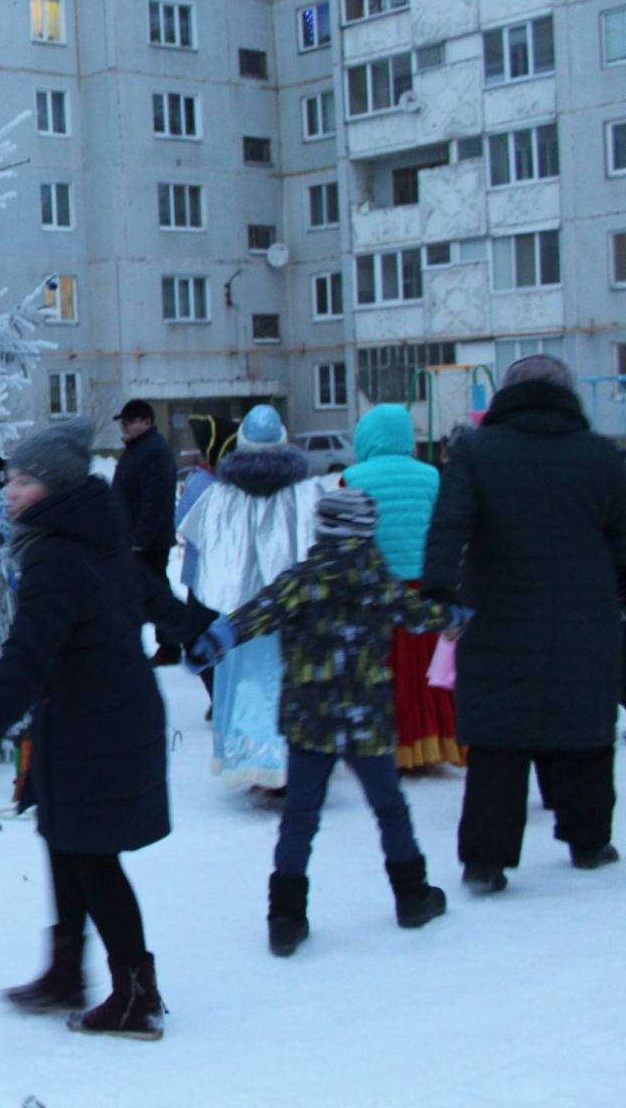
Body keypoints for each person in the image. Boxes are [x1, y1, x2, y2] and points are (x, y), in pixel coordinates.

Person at [0, 419, 169, 1041]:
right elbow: (147, 597)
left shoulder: (54, 552)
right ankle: (67, 974)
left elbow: (29, 652)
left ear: (53, 487)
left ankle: (135, 998)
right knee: (64, 837)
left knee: (93, 855)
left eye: (23, 481)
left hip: (97, 721)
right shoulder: (87, 532)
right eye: (10, 479)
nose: (9, 491)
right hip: (89, 715)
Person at [188, 490, 459, 956]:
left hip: (309, 719)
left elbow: (259, 612)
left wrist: (217, 638)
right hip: (365, 718)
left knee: (299, 819)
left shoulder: (302, 578)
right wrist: (453, 616)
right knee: (389, 807)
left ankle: (286, 919)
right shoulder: (375, 578)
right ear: (365, 531)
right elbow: (416, 615)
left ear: (323, 529)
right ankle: (413, 897)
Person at [421, 354, 626, 893]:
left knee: (498, 740)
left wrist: (439, 588)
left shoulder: (476, 452)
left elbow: (449, 524)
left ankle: (486, 863)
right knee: (583, 732)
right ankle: (588, 842)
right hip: (586, 617)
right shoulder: (602, 456)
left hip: (497, 615)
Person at [178, 404, 323, 790]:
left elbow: (194, 537)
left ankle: (254, 763)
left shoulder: (220, 496)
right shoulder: (307, 492)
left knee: (247, 688)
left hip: (239, 617)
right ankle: (296, 762)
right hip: (294, 615)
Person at [339, 404, 462, 770]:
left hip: (374, 589)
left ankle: (386, 744)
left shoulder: (352, 477)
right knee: (425, 670)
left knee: (382, 668)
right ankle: (431, 741)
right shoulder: (431, 476)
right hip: (423, 585)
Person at [172, 416, 236, 709]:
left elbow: (181, 520)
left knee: (201, 639)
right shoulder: (228, 482)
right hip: (222, 577)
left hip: (202, 579)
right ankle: (223, 697)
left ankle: (222, 700)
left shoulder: (201, 481)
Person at [112, 399, 180, 664]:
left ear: (147, 423)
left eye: (130, 421)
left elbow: (156, 500)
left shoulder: (153, 452)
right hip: (135, 540)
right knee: (141, 593)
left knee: (153, 594)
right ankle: (153, 646)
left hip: (147, 543)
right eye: (122, 421)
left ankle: (170, 646)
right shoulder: (139, 449)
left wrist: (140, 538)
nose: (124, 426)